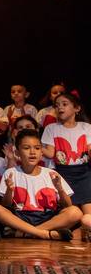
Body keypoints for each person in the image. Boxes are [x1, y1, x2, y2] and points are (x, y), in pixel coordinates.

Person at [0, 129, 80, 241]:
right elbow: (5, 205)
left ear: (41, 152)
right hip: (20, 217)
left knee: (75, 212)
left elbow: (68, 206)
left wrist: (60, 189)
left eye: (37, 148)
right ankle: (44, 234)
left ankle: (27, 233)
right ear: (17, 153)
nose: (32, 152)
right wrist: (9, 190)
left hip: (47, 218)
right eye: (26, 148)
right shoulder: (11, 173)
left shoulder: (51, 173)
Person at [40, 92, 91, 240]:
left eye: (64, 104)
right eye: (57, 105)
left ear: (77, 108)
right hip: (62, 173)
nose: (60, 108)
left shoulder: (86, 127)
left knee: (88, 218)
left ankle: (80, 233)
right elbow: (50, 153)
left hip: (84, 174)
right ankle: (73, 233)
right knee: (69, 211)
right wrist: (35, 145)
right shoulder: (51, 128)